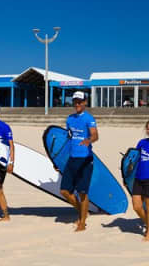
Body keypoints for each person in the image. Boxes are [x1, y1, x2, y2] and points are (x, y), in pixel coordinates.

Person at [59, 91, 98, 232]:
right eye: (75, 101)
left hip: (85, 160)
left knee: (82, 192)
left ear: (85, 102)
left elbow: (95, 135)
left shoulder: (89, 118)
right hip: (72, 158)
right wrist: (58, 161)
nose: (77, 104)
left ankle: (82, 222)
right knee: (64, 191)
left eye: (80, 101)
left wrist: (89, 140)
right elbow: (67, 140)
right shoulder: (69, 119)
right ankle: (83, 211)